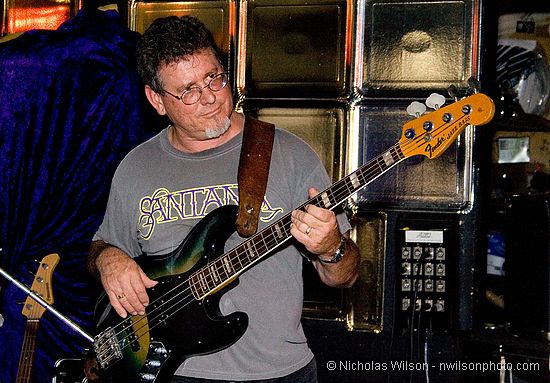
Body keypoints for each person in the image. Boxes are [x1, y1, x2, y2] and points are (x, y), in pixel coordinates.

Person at [87, 15, 360, 383]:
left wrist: (331, 248)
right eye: (188, 90)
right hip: (173, 372)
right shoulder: (136, 167)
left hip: (278, 373)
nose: (210, 97)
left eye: (214, 77)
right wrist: (107, 259)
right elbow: (102, 245)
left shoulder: (289, 154)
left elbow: (345, 276)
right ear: (156, 100)